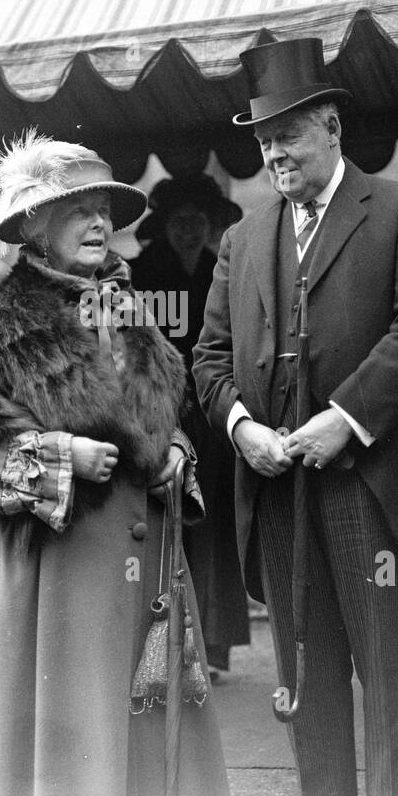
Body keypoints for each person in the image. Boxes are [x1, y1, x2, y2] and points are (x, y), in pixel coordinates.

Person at [0, 132, 233, 796]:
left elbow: (163, 416)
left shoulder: (129, 309)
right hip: (50, 581)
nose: (99, 223)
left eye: (103, 209)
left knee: (138, 740)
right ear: (33, 226)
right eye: (77, 210)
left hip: (142, 569)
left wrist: (177, 452)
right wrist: (58, 456)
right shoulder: (5, 326)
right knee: (66, 752)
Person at [194, 38, 398, 796]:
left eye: (289, 132)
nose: (274, 149)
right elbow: (207, 356)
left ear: (333, 127)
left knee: (387, 683)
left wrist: (344, 421)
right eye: (263, 137)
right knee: (306, 687)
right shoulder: (243, 239)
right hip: (279, 498)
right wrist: (241, 427)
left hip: (370, 493)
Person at [130, 175, 249, 678]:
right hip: (156, 411)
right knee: (163, 522)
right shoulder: (139, 274)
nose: (188, 232)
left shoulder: (221, 271)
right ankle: (163, 642)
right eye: (179, 223)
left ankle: (214, 643)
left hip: (211, 413)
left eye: (197, 223)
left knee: (213, 521)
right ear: (163, 228)